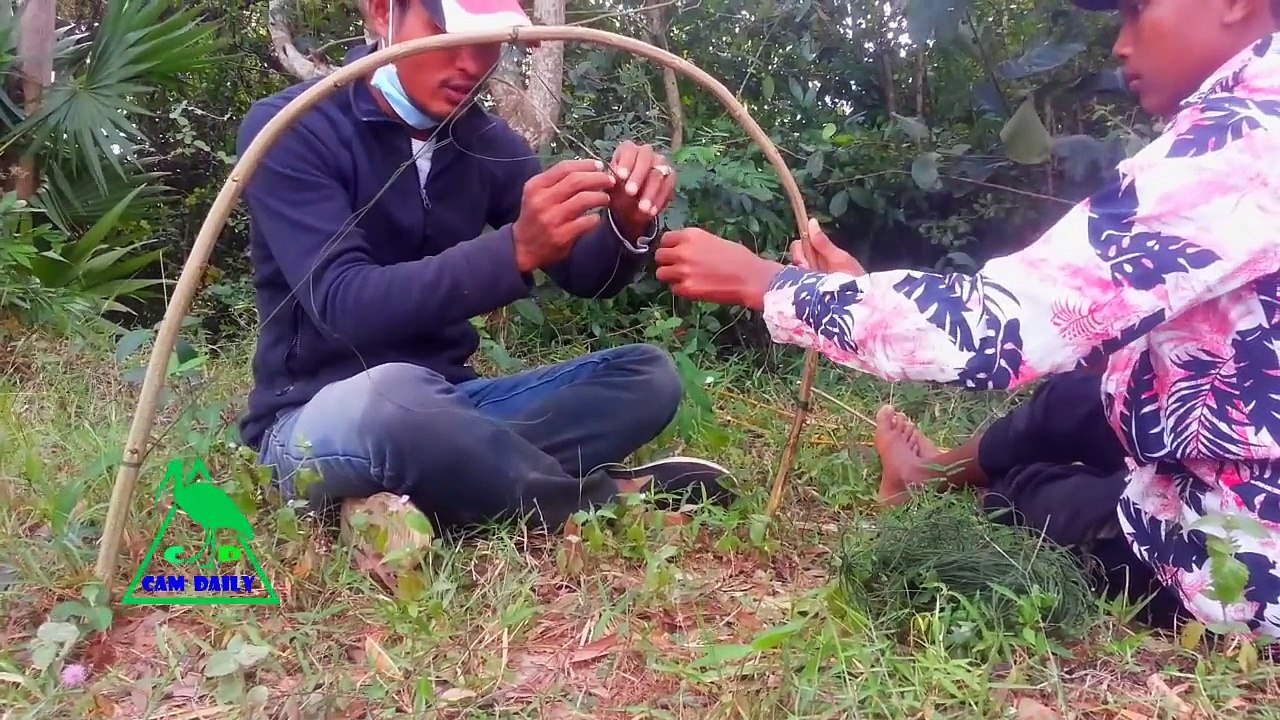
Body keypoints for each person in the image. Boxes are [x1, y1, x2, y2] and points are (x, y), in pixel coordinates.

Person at [653, 0, 1280, 638]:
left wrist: (767, 284)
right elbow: (1102, 320)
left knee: (1036, 496)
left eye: (1138, 9)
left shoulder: (1245, 143)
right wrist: (850, 293)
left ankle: (976, 488)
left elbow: (1001, 327)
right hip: (1234, 438)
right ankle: (928, 472)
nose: (1121, 43)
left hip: (1248, 552)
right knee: (1079, 399)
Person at [234, 0, 733, 541]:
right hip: (315, 422)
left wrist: (626, 222)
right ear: (382, 13)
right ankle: (600, 503)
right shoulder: (294, 128)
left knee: (647, 377)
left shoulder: (486, 143)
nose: (471, 63)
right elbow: (343, 303)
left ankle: (440, 491)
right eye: (448, 33)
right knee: (396, 399)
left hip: (454, 408)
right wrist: (514, 250)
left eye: (490, 42)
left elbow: (585, 275)